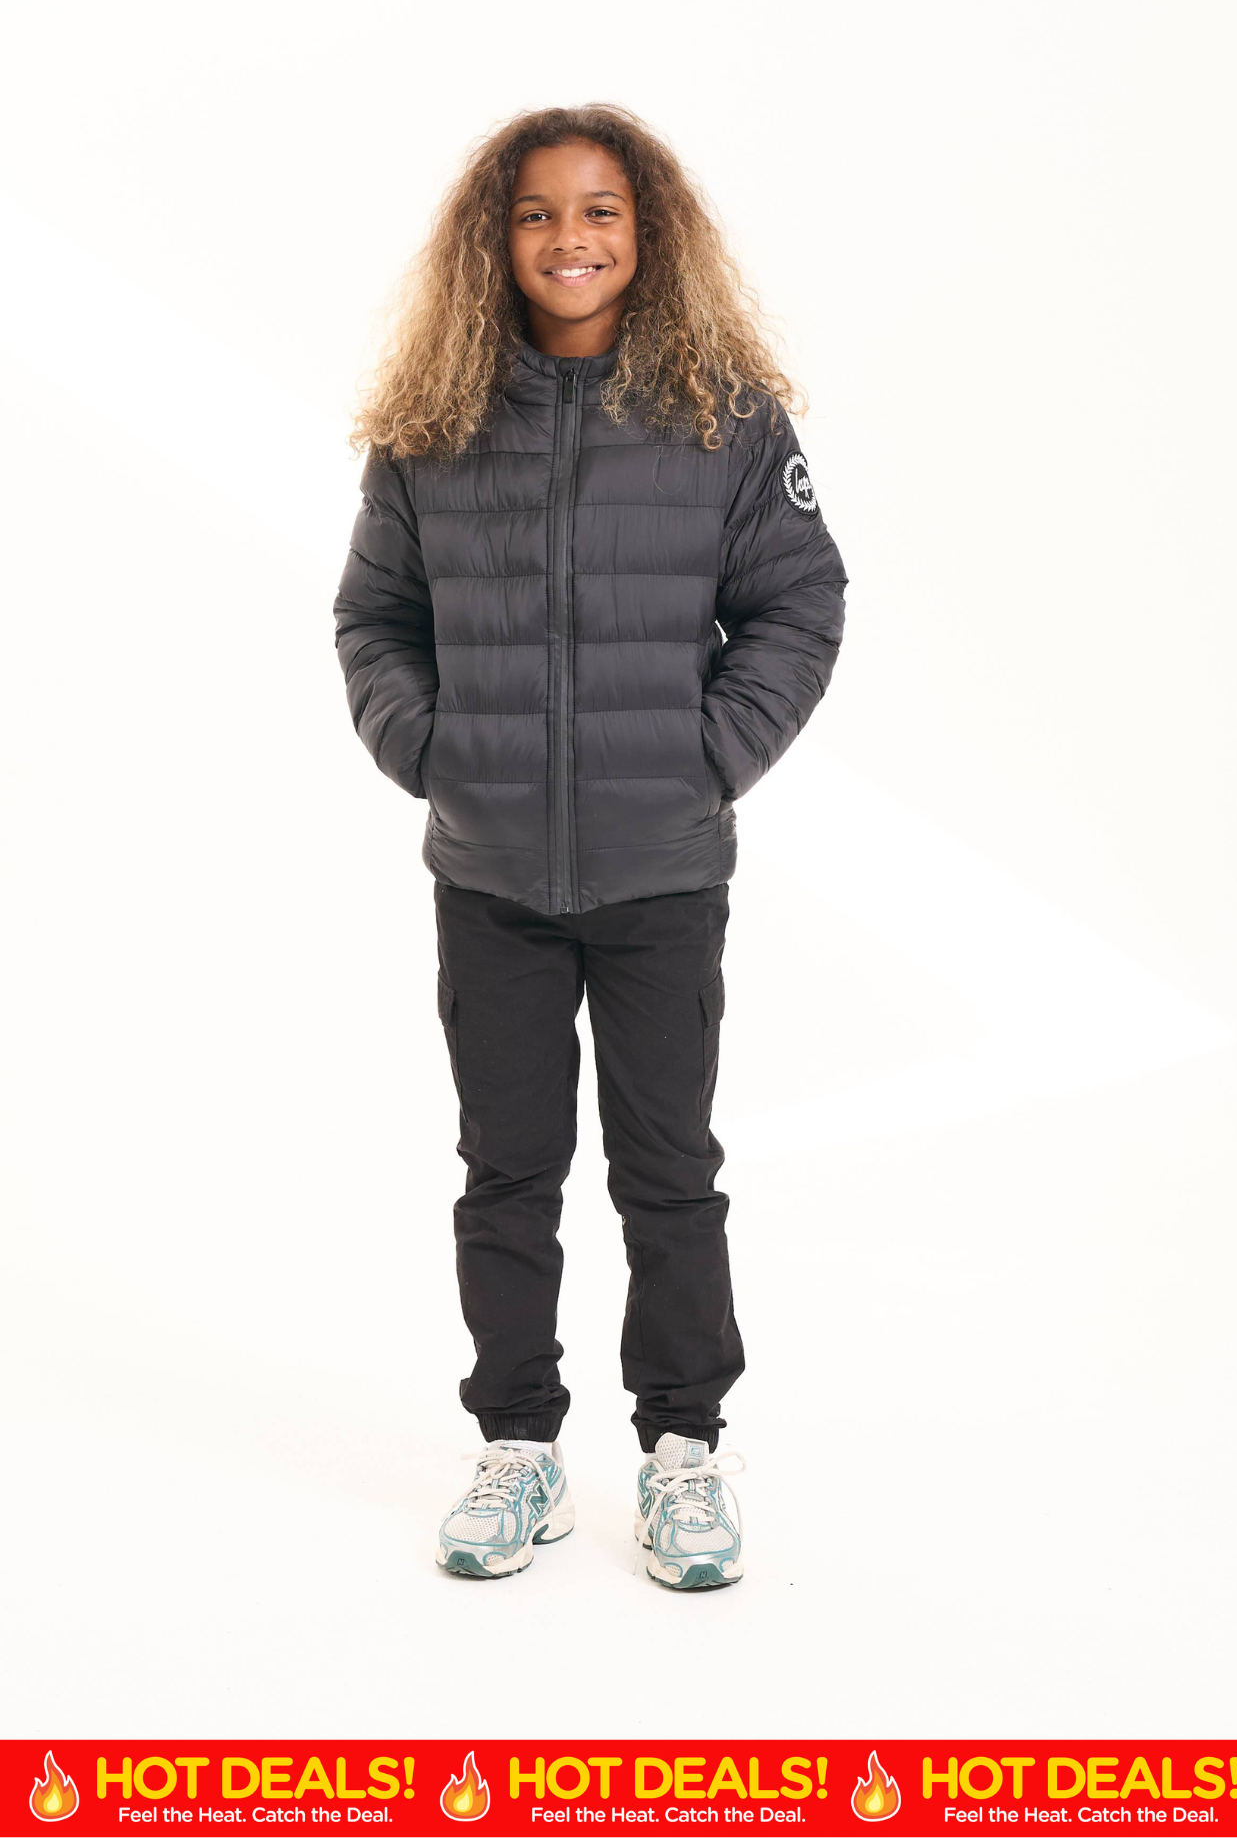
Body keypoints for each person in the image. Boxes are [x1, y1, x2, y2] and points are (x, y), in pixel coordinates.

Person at [334, 103, 848, 1590]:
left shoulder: (724, 416)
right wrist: (432, 751)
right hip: (489, 873)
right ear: (494, 240)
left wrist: (706, 755)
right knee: (506, 1172)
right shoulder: (433, 423)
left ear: (648, 230)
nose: (571, 237)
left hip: (662, 873)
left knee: (668, 1172)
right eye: (539, 212)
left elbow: (801, 602)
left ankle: (683, 1451)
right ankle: (518, 1447)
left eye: (601, 210)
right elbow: (375, 618)